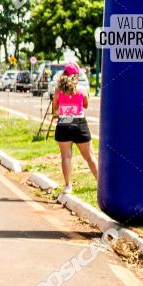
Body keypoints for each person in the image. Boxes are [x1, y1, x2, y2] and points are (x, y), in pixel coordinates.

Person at [52, 62, 98, 194]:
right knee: (89, 157)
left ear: (64, 74)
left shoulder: (58, 90)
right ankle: (100, 184)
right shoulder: (81, 89)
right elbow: (86, 105)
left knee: (66, 157)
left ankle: (67, 186)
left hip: (63, 123)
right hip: (79, 122)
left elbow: (55, 107)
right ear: (76, 75)